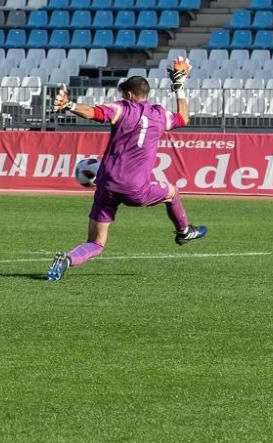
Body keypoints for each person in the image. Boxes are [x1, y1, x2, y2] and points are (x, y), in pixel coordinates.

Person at [46, 57, 208, 282]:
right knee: (171, 192)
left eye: (124, 94)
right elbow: (183, 118)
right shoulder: (160, 115)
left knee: (96, 242)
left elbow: (94, 113)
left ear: (130, 95)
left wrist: (69, 105)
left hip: (107, 185)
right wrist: (179, 88)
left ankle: (67, 259)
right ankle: (184, 231)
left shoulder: (121, 109)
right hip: (136, 190)